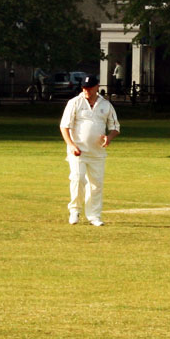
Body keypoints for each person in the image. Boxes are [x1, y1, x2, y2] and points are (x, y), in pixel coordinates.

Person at [60, 74, 120, 225]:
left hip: (97, 153)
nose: (86, 91)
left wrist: (109, 138)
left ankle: (94, 216)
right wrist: (71, 145)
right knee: (78, 178)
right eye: (84, 88)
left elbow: (115, 127)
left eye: (90, 88)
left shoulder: (105, 105)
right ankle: (74, 211)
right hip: (77, 151)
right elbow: (64, 126)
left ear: (97, 87)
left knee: (96, 184)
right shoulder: (75, 102)